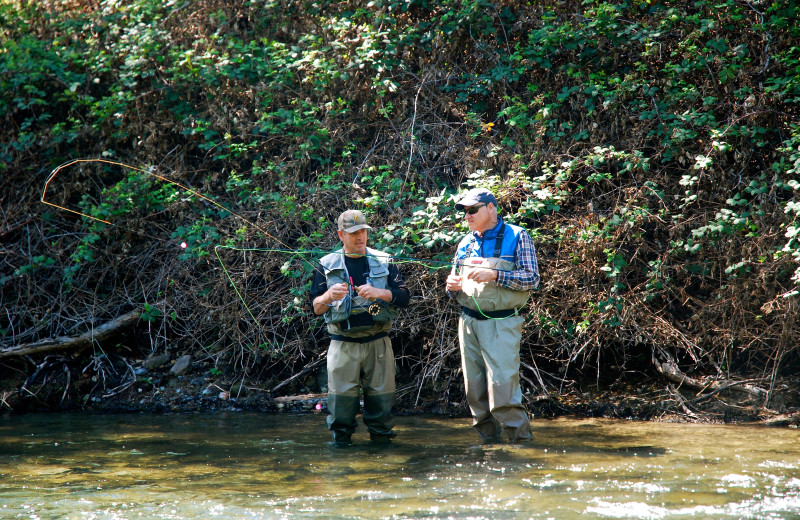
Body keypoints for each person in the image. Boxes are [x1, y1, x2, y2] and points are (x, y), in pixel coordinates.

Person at [445, 187, 540, 443]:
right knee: (474, 393)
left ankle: (521, 448)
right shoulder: (465, 243)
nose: (467, 216)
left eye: (472, 210)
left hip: (502, 323)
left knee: (503, 393)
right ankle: (490, 447)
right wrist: (451, 287)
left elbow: (532, 279)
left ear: (491, 208)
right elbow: (451, 289)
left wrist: (496, 274)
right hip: (467, 324)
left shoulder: (518, 236)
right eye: (465, 211)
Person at [310, 209, 410, 446]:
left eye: (363, 231)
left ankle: (382, 455)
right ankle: (341, 457)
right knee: (341, 411)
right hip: (343, 345)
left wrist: (380, 293)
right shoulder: (325, 264)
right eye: (354, 232)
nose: (360, 237)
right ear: (341, 235)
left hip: (379, 344)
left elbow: (404, 297)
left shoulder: (384, 261)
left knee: (382, 409)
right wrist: (327, 296)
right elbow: (315, 307)